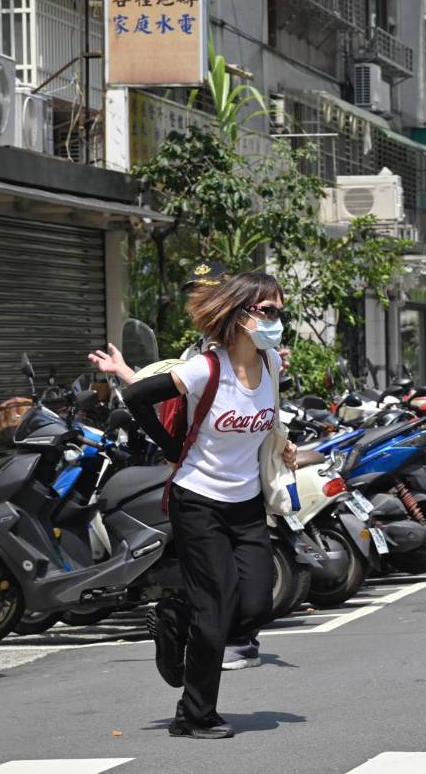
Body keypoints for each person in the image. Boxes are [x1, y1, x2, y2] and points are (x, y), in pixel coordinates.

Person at [123, 272, 297, 740]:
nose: (278, 321)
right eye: (270, 312)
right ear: (241, 315)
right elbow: (134, 396)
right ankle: (195, 714)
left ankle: (175, 615)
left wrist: (283, 444)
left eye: (280, 311)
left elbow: (269, 416)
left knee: (258, 602)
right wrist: (170, 445)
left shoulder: (273, 365)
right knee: (215, 609)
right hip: (197, 499)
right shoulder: (205, 368)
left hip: (245, 502)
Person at [90, 261, 264, 672]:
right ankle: (200, 640)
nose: (197, 300)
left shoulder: (252, 348)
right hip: (200, 480)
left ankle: (221, 631)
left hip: (242, 478)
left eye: (208, 291)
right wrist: (127, 376)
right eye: (194, 292)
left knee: (247, 585)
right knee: (215, 578)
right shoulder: (197, 353)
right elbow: (167, 392)